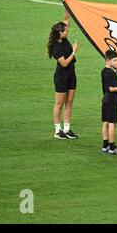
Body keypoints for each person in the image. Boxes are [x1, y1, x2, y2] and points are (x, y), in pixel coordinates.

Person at [47, 10, 79, 139]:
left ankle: (67, 129)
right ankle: (57, 130)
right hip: (61, 77)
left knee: (69, 102)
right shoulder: (56, 47)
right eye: (65, 31)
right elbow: (64, 63)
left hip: (71, 75)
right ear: (60, 33)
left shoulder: (64, 39)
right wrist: (74, 52)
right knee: (59, 104)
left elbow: (66, 19)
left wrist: (67, 7)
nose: (67, 31)